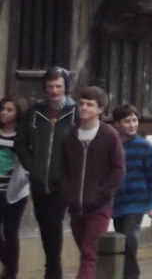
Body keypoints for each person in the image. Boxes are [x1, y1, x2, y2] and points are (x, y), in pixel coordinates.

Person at [15, 66, 77, 279]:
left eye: (58, 86)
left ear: (65, 87)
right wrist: (31, 166)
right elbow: (21, 142)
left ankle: (53, 270)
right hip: (39, 179)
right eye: (50, 86)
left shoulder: (75, 113)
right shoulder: (34, 112)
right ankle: (52, 266)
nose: (54, 90)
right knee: (43, 224)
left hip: (62, 181)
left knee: (53, 221)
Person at [60, 86, 125, 279]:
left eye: (90, 105)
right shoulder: (69, 136)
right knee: (86, 252)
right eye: (81, 104)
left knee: (89, 253)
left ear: (100, 109)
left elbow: (118, 168)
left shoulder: (110, 135)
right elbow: (63, 168)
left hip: (99, 206)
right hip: (76, 206)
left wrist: (103, 193)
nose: (84, 108)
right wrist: (68, 192)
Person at [112, 105, 152, 279]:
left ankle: (132, 275)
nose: (132, 124)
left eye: (134, 120)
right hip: (118, 203)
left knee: (129, 239)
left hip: (137, 202)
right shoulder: (114, 145)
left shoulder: (145, 147)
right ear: (117, 124)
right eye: (127, 121)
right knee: (121, 242)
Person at [0, 97, 29, 279]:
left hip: (14, 191)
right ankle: (9, 263)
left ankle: (11, 273)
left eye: (9, 110)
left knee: (11, 232)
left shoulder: (22, 136)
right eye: (2, 109)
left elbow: (27, 163)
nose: (4, 113)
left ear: (17, 113)